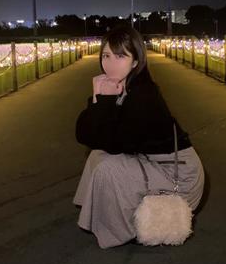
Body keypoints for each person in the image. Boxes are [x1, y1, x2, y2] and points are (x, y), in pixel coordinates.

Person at [73, 26, 204, 249]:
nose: (111, 63)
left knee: (108, 166)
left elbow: (114, 143)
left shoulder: (144, 95)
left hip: (179, 174)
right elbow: (83, 134)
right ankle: (91, 208)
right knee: (97, 155)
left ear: (135, 61)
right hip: (152, 162)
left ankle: (119, 231)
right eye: (106, 56)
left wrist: (103, 101)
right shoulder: (121, 86)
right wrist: (96, 99)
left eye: (121, 56)